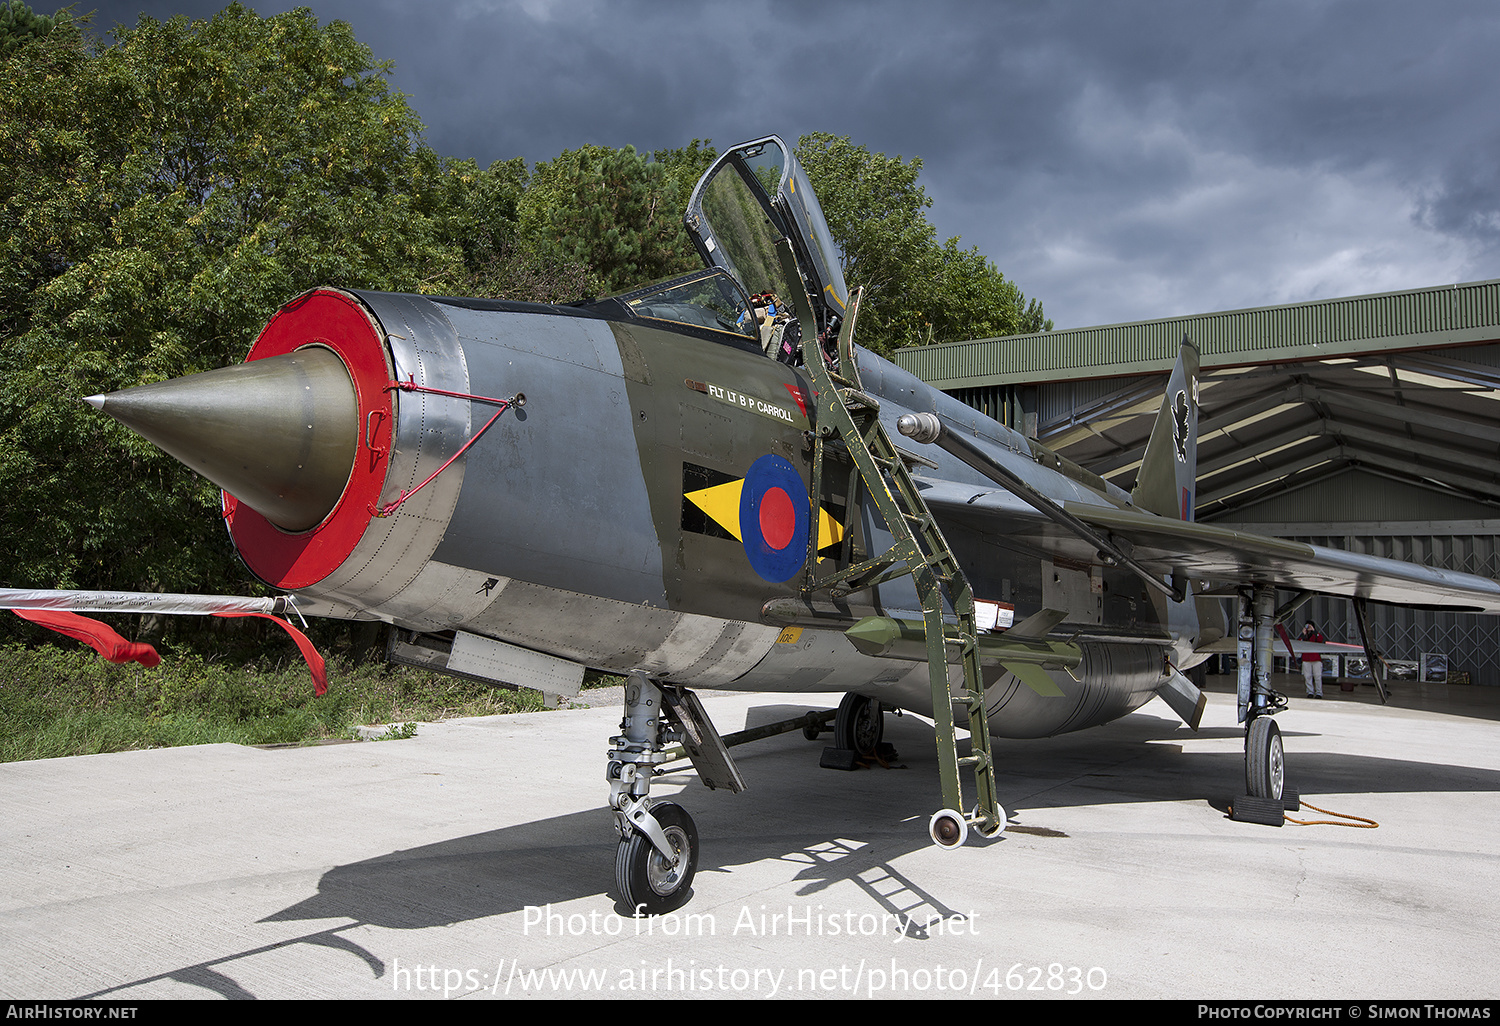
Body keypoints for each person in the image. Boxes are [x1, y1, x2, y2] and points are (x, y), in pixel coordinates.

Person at [1300, 621, 1326, 698]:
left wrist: (1314, 631)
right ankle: (1310, 692)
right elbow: (1299, 642)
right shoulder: (1304, 636)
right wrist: (1303, 634)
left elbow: (1320, 639)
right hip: (1306, 659)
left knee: (1317, 676)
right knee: (1307, 676)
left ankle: (1319, 693)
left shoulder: (1315, 635)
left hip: (1316, 659)